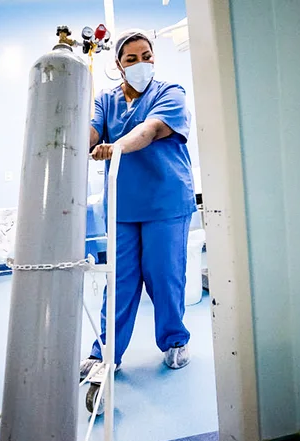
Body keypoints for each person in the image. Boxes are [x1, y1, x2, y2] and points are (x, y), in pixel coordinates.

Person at [80, 29, 196, 379]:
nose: (141, 63)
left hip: (166, 201)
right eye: (131, 59)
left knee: (165, 276)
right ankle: (105, 354)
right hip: (123, 206)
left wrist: (116, 148)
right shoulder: (105, 100)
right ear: (118, 65)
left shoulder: (170, 93)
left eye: (147, 56)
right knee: (120, 281)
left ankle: (175, 341)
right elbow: (90, 131)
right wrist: (70, 132)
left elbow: (149, 130)